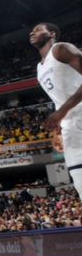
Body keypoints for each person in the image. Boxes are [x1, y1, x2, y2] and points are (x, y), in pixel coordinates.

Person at [30, 23, 82, 199]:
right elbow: (57, 97)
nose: (32, 32)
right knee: (79, 178)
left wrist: (62, 111)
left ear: (51, 33)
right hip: (70, 124)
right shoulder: (39, 68)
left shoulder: (60, 49)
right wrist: (58, 123)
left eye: (38, 29)